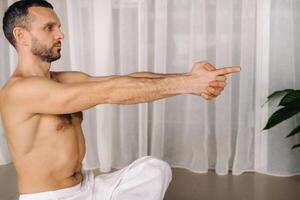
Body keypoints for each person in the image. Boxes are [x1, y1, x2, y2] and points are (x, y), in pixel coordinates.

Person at [0, 0, 241, 200]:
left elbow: (123, 80)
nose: (61, 34)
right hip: (53, 197)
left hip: (89, 186)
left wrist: (189, 77)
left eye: (59, 27)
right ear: (21, 35)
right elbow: (110, 92)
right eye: (49, 28)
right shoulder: (18, 91)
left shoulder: (64, 79)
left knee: (154, 169)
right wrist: (188, 85)